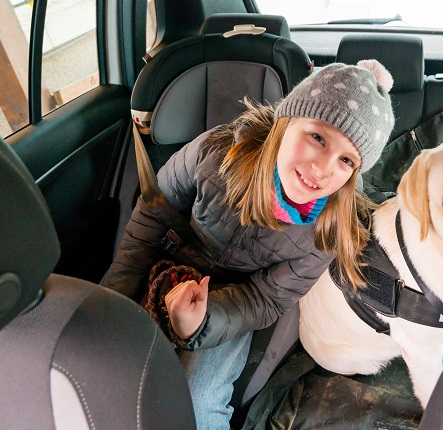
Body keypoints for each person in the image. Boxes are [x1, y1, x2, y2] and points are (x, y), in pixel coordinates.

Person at [100, 59, 395, 428]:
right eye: (317, 137)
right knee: (103, 359)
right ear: (286, 121)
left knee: (199, 401)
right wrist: (117, 293)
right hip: (167, 257)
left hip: (234, 297)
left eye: (346, 160)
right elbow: (153, 210)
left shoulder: (327, 231)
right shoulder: (216, 152)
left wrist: (203, 321)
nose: (322, 168)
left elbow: (267, 298)